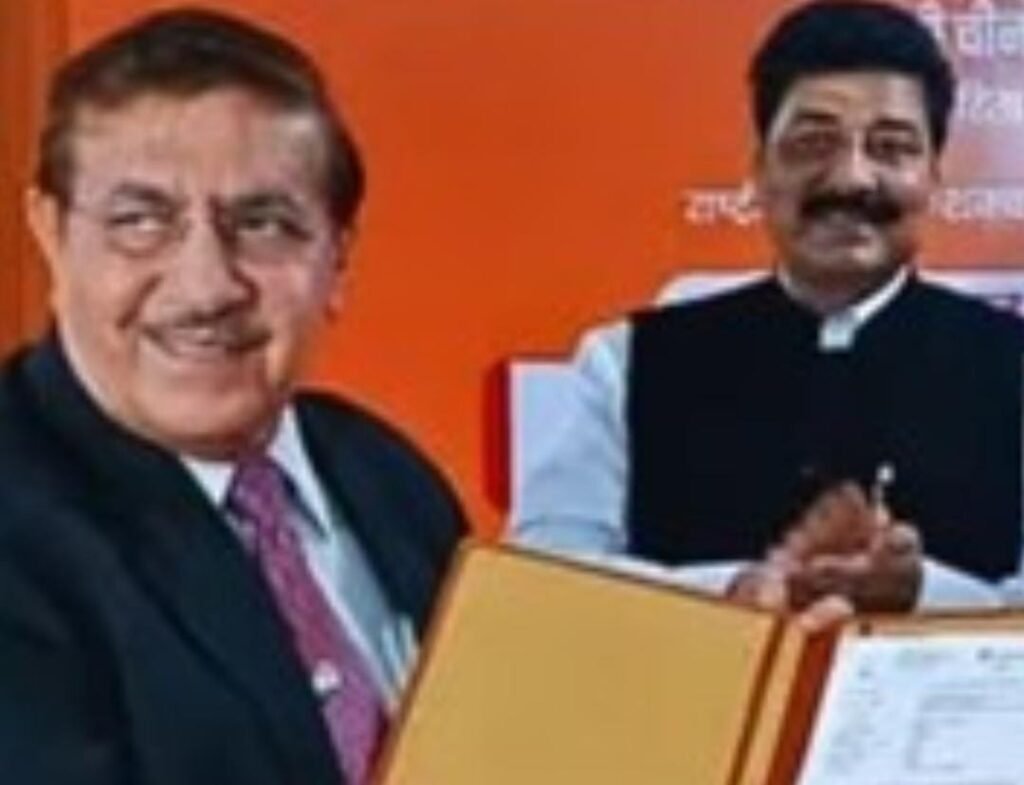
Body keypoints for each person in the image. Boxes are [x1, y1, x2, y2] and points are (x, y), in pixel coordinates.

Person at [0, 9, 465, 785]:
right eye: (141, 222)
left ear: (337, 259)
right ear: (50, 233)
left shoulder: (387, 473)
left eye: (263, 224)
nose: (206, 287)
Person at [511, 0, 1024, 613]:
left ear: (935, 177)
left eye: (891, 148)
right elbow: (544, 578)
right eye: (813, 144)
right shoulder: (629, 362)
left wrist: (924, 594)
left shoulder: (1011, 363)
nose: (852, 179)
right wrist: (736, 589)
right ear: (758, 170)